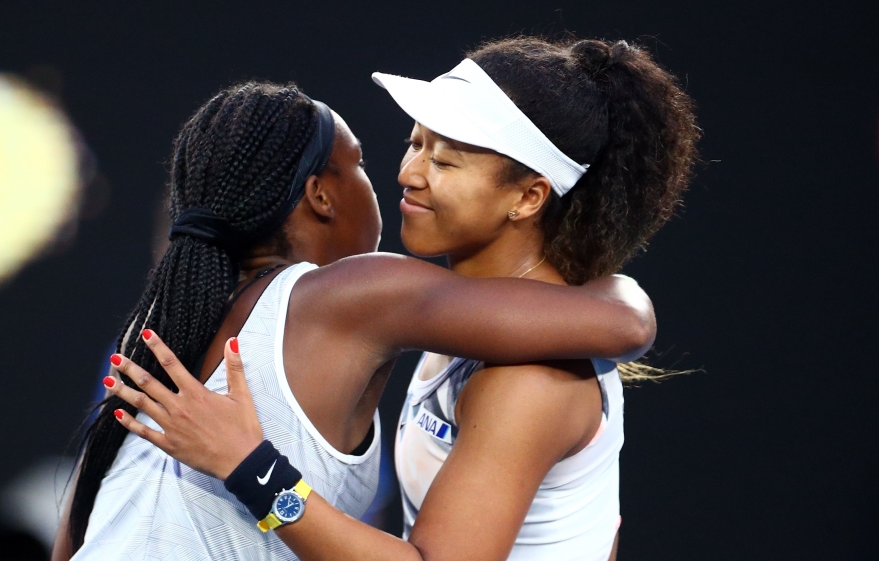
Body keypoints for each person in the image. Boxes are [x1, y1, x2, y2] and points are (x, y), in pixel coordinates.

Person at [101, 36, 699, 561]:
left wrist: (251, 467)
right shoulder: (464, 329)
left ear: (527, 197)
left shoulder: (529, 374)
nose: (409, 173)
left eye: (445, 160)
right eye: (415, 143)